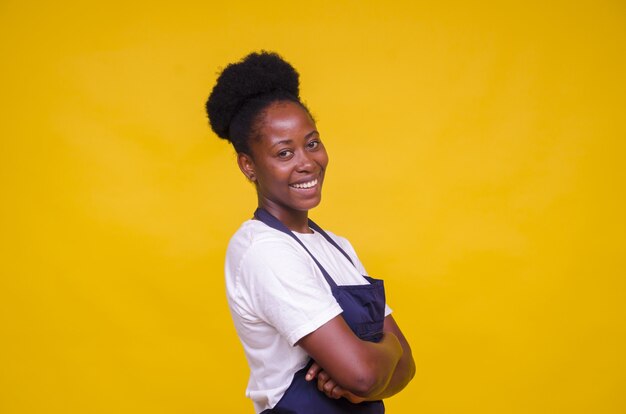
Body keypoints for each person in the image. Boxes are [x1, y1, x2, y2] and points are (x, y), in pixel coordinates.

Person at [205, 51, 415, 413]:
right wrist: (387, 351)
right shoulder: (263, 250)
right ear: (248, 165)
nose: (307, 162)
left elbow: (406, 369)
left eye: (312, 143)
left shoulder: (338, 247)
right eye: (284, 153)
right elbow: (366, 377)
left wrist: (376, 366)